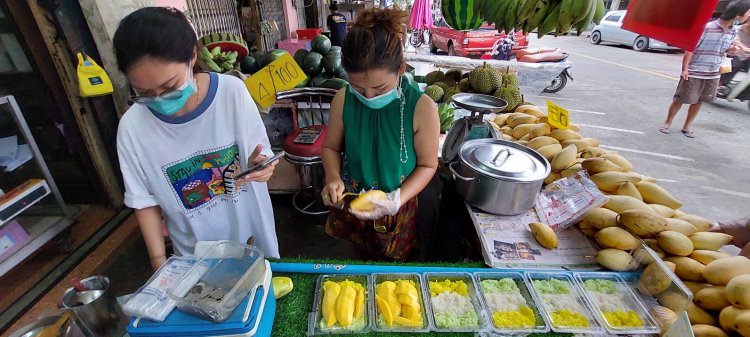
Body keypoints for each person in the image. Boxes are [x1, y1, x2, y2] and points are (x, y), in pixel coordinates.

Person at [113, 7, 280, 270]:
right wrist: (160, 265)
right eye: (144, 93)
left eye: (169, 87)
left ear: (192, 56)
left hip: (255, 243)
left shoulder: (231, 93)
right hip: (193, 260)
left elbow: (261, 156)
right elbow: (144, 202)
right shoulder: (132, 128)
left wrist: (263, 166)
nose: (160, 100)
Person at [320, 8, 441, 261]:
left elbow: (428, 165)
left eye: (379, 88)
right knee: (358, 261)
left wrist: (397, 199)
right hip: (354, 203)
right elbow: (330, 148)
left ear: (400, 69)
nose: (368, 96)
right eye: (358, 87)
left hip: (400, 205)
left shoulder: (421, 108)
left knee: (399, 269)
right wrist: (332, 178)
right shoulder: (343, 100)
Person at [660, 0, 750, 138]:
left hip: (713, 72)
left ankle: (687, 126)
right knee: (680, 99)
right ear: (738, 15)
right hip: (695, 70)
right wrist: (685, 69)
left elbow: (723, 50)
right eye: (747, 13)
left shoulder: (732, 31)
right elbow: (690, 48)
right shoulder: (707, 27)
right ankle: (668, 122)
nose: (748, 16)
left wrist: (731, 50)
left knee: (699, 100)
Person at [719, 20, 750, 96]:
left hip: (747, 56)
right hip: (736, 52)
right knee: (736, 64)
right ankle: (720, 84)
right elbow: (735, 40)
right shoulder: (740, 29)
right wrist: (744, 48)